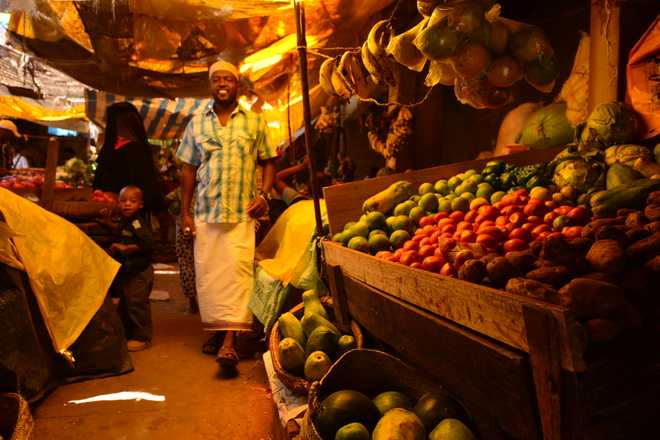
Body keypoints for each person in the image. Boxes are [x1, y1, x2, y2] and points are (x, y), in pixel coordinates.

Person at [176, 59, 278, 369]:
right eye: (217, 80)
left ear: (238, 86)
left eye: (228, 80)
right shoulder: (197, 123)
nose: (222, 84)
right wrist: (185, 213)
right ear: (211, 85)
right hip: (206, 212)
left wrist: (264, 195)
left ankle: (230, 343)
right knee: (210, 276)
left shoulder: (255, 122)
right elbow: (188, 170)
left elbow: (269, 161)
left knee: (237, 274)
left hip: (240, 212)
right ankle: (219, 333)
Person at [99, 185, 155, 352]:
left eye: (132, 201)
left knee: (137, 304)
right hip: (128, 271)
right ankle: (128, 333)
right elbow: (119, 231)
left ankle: (142, 337)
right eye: (123, 201)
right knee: (126, 303)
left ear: (141, 204)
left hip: (139, 272)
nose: (127, 204)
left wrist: (127, 248)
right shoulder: (125, 220)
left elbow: (148, 243)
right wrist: (107, 222)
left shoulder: (138, 222)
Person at [93, 103, 161, 213]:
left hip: (127, 210)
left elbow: (143, 185)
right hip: (106, 206)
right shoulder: (112, 147)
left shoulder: (135, 150)